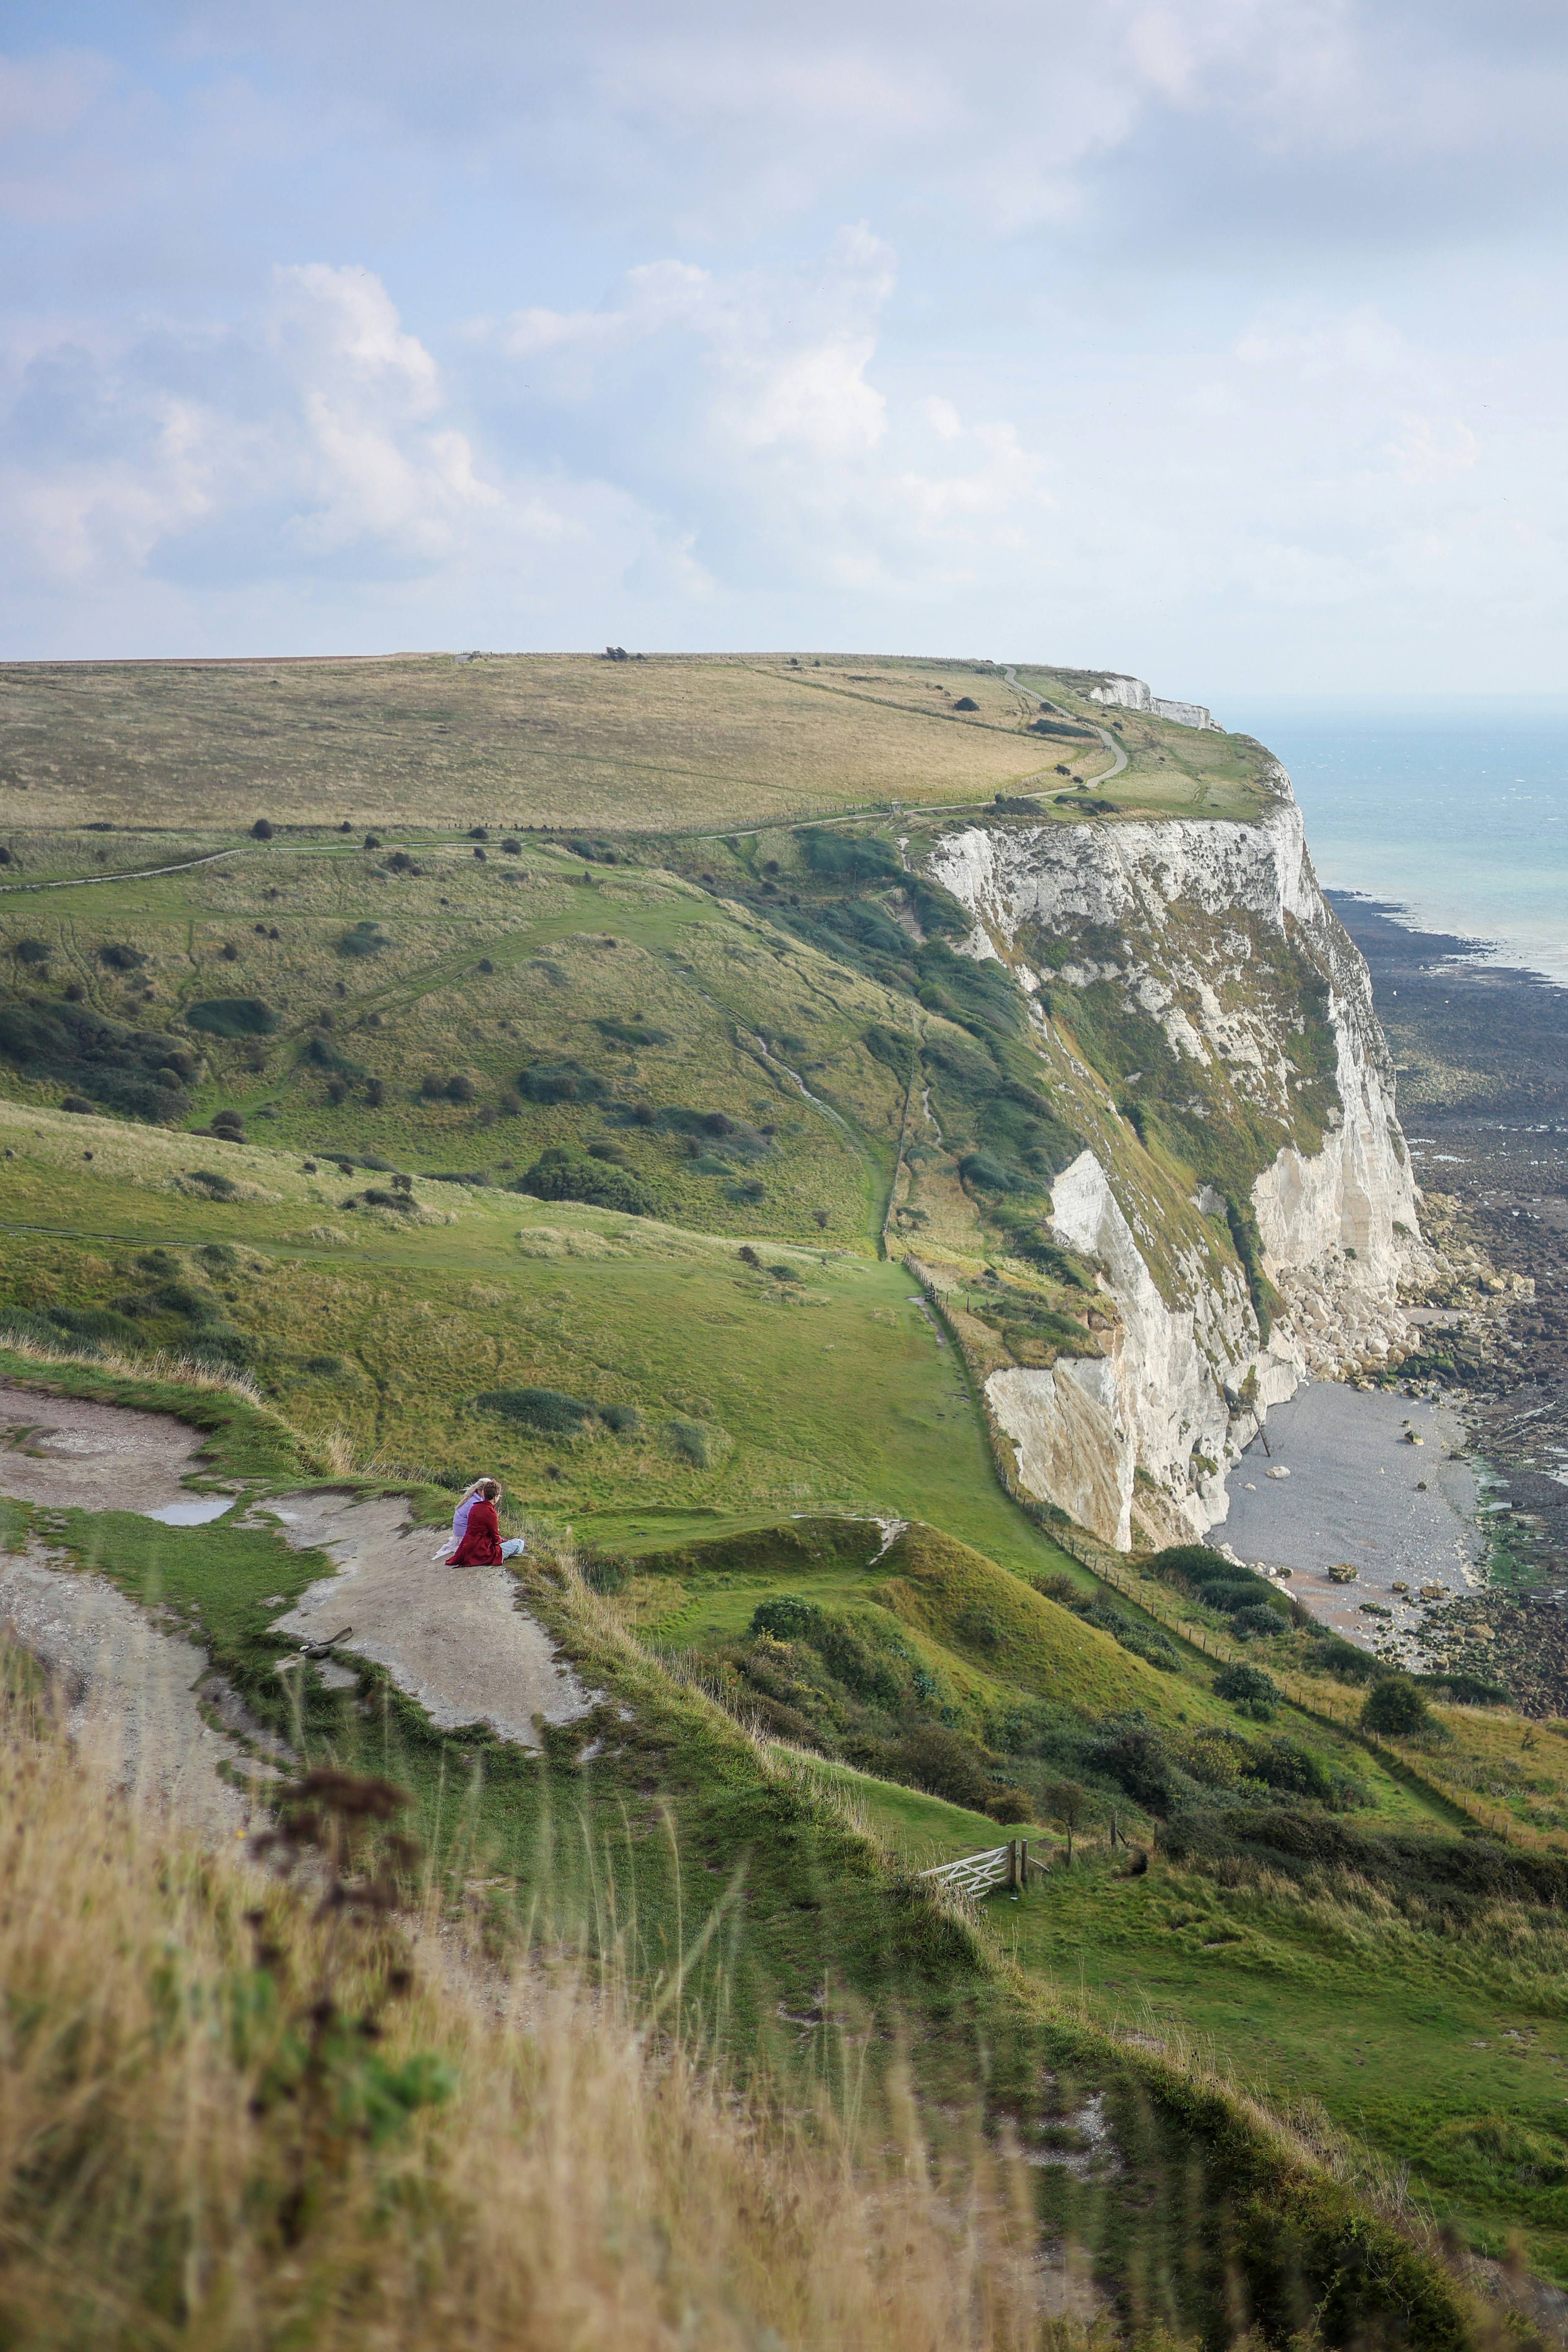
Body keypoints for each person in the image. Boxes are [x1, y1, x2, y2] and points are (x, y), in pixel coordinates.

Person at [445, 1478, 524, 1567]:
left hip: (468, 1548)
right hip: (482, 1551)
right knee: (519, 1543)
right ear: (495, 1498)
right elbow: (496, 1540)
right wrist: (503, 1541)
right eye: (499, 1496)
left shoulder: (474, 1507)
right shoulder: (490, 1512)